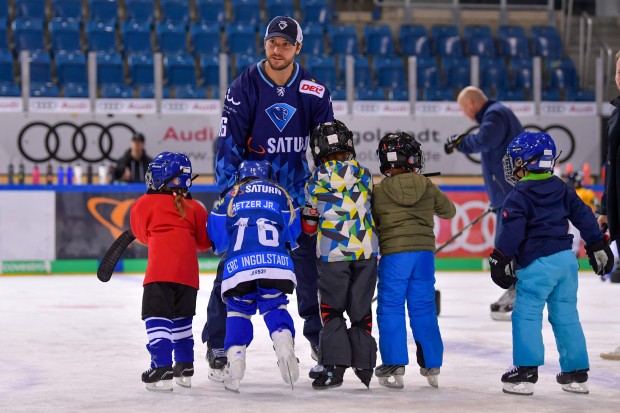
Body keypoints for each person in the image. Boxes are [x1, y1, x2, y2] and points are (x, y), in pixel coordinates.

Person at [204, 15, 335, 380]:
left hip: (294, 194)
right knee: (231, 270)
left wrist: (325, 189)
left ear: (298, 48)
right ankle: (217, 344)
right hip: (251, 192)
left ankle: (318, 341)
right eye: (271, 42)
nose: (277, 50)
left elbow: (326, 148)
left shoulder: (314, 91)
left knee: (308, 269)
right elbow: (228, 142)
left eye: (285, 44)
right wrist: (230, 192)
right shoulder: (244, 86)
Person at [489, 131, 613, 396]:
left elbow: (512, 233)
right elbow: (584, 216)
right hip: (566, 263)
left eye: (515, 160)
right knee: (567, 315)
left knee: (527, 314)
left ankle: (525, 372)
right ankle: (576, 374)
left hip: (536, 265)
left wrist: (500, 258)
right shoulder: (561, 187)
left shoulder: (519, 194)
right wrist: (596, 244)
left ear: (525, 162)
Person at [207, 160, 301, 392]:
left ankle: (236, 359)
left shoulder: (230, 194)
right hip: (276, 264)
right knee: (275, 307)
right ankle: (284, 345)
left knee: (238, 311)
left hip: (239, 267)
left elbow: (216, 236)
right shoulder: (281, 192)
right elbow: (293, 231)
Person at [372, 132, 456, 390]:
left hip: (395, 255)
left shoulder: (379, 190)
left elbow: (373, 222)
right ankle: (432, 362)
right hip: (423, 256)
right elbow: (449, 211)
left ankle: (395, 363)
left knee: (391, 307)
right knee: (423, 307)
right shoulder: (427, 185)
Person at [304, 120, 378, 390]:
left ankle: (335, 368)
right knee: (361, 310)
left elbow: (309, 227)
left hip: (333, 255)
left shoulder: (313, 183)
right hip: (366, 252)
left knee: (332, 310)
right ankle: (364, 365)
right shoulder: (365, 174)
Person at [129, 152, 211, 392]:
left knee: (157, 317)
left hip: (159, 274)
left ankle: (161, 366)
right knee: (182, 322)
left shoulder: (144, 203)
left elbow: (142, 236)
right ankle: (184, 367)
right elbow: (204, 243)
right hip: (188, 278)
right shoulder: (196, 207)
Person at [444, 86, 524, 321]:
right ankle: (518, 291)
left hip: (511, 195)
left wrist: (461, 143)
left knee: (508, 245)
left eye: (462, 108)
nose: (464, 113)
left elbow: (484, 139)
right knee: (508, 244)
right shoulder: (498, 113)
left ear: (470, 104)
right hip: (507, 194)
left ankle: (520, 293)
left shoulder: (495, 114)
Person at [597, 50, 620, 360]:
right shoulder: (617, 110)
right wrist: (604, 207)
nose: (619, 75)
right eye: (618, 69)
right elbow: (611, 163)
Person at [564, 170, 598, 256]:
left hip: (583, 219)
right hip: (579, 220)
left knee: (585, 241)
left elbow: (595, 205)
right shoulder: (582, 192)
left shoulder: (587, 192)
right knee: (576, 241)